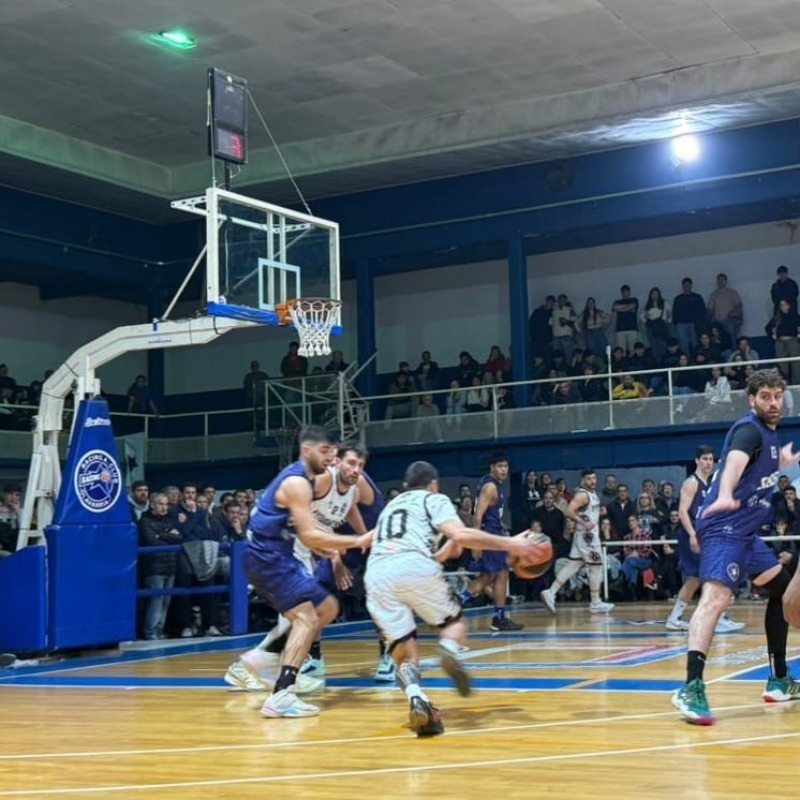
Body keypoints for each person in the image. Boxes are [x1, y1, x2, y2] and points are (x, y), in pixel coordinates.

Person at [365, 460, 542, 737]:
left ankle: (417, 698)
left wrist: (441, 553)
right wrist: (512, 543)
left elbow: (431, 545)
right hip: (412, 565)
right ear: (433, 485)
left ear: (405, 486)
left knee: (404, 653)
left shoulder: (391, 507)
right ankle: (448, 650)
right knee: (454, 624)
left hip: (376, 575)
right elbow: (459, 535)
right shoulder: (434, 499)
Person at [672, 370, 800, 725]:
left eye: (778, 396)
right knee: (716, 598)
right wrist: (725, 492)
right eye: (766, 397)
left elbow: (757, 468)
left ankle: (778, 679)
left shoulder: (771, 436)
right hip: (723, 529)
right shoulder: (748, 430)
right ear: (752, 399)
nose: (773, 402)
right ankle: (691, 687)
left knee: (783, 588)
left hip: (746, 536)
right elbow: (734, 462)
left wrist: (784, 462)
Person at [237, 426, 371, 718]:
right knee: (308, 617)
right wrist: (356, 541)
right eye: (325, 451)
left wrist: (333, 549)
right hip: (269, 558)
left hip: (273, 556)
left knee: (326, 608)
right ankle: (280, 688)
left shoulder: (306, 481)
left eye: (332, 452)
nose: (330, 458)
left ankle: (269, 661)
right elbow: (310, 535)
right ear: (306, 449)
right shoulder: (298, 483)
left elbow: (307, 528)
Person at [665, 446, 744, 633]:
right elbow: (682, 511)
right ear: (697, 461)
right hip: (692, 535)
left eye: (711, 459)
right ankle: (715, 618)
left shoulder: (710, 484)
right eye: (705, 459)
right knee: (708, 577)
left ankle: (678, 617)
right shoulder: (691, 483)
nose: (708, 463)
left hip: (706, 536)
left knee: (700, 578)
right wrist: (692, 535)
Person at [460, 452, 522, 631]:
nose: (504, 470)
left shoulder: (493, 485)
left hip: (493, 535)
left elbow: (491, 515)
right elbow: (477, 516)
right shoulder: (490, 487)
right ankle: (499, 618)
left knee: (489, 576)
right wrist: (476, 544)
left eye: (506, 466)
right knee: (500, 574)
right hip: (488, 536)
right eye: (500, 466)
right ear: (492, 468)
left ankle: (456, 603)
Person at [540, 469, 614, 615]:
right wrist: (583, 522)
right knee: (597, 566)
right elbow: (568, 511)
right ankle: (595, 601)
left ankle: (551, 592)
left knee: (574, 565)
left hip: (584, 536)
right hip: (588, 537)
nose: (593, 481)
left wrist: (599, 512)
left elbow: (586, 512)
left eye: (594, 478)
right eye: (589, 479)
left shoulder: (591, 494)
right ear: (582, 480)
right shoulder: (582, 494)